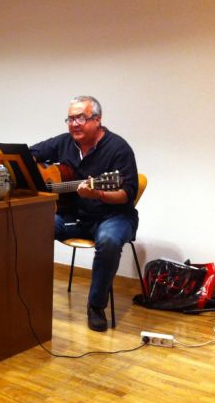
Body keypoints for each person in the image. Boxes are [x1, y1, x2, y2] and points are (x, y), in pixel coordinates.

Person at [30, 96, 139, 332]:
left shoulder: (118, 148)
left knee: (109, 240)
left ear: (97, 120)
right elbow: (30, 154)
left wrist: (99, 194)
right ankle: (30, 295)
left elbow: (127, 193)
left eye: (80, 118)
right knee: (32, 226)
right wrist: (37, 172)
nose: (74, 124)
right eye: (70, 119)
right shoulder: (64, 142)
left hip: (113, 216)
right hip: (74, 216)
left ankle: (96, 307)